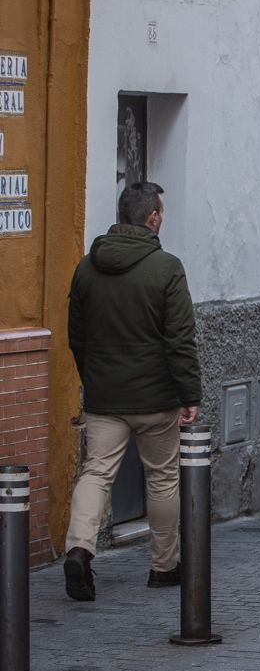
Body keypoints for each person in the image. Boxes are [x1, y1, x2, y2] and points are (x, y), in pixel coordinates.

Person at [63, 181, 201, 602]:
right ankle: (163, 566)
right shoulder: (167, 268)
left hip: (105, 397)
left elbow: (77, 335)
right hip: (156, 399)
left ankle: (79, 548)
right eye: (163, 212)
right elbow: (179, 339)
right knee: (161, 479)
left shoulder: (87, 267)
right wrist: (189, 394)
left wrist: (94, 377)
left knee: (95, 472)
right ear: (153, 217)